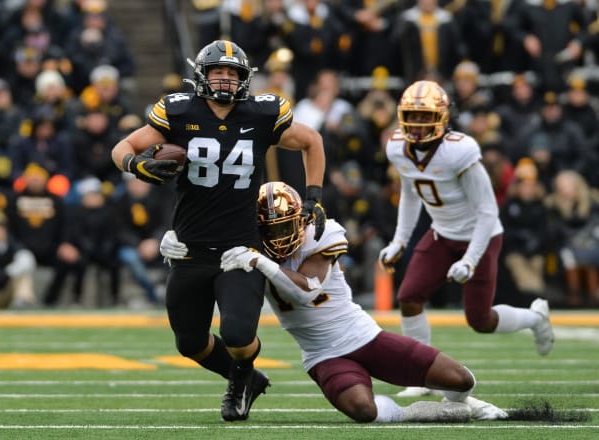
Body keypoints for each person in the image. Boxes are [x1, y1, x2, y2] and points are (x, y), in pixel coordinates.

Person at [111, 39, 327, 422]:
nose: (225, 80)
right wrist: (136, 166)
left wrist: (314, 196)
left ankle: (239, 380)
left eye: (232, 73)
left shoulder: (262, 113)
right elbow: (123, 146)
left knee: (239, 336)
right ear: (202, 75)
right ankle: (247, 379)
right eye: (217, 72)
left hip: (239, 250)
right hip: (189, 247)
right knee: (190, 344)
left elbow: (312, 141)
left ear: (245, 79)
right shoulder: (179, 111)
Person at [177, 181, 507, 423]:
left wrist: (261, 261)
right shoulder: (249, 244)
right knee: (364, 411)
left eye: (285, 227)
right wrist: (177, 240)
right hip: (322, 353)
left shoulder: (320, 234)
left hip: (363, 336)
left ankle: (466, 404)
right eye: (270, 231)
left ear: (301, 219)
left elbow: (307, 290)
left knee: (462, 379)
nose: (278, 238)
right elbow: (206, 243)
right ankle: (427, 413)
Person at [377, 80, 555, 397]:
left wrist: (470, 260)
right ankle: (421, 375)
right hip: (443, 233)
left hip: (480, 237)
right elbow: (410, 192)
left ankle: (535, 317)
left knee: (480, 320)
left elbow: (488, 212)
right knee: (409, 297)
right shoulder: (396, 147)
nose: (417, 126)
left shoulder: (458, 151)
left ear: (443, 117)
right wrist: (399, 241)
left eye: (424, 117)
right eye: (412, 117)